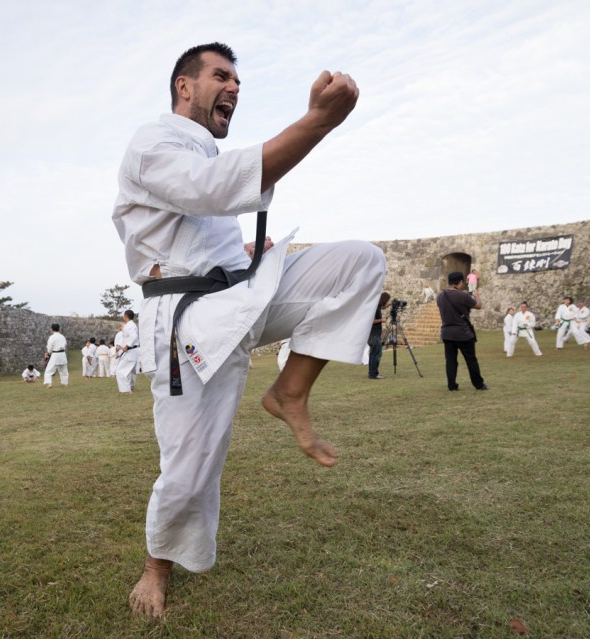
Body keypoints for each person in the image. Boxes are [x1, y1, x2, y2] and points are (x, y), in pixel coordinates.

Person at [112, 43, 385, 617]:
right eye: (221, 75)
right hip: (186, 319)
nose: (234, 87)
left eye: (237, 79)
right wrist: (316, 124)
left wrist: (240, 251)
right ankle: (155, 567)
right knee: (189, 471)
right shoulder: (153, 143)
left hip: (239, 291)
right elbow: (211, 187)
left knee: (360, 261)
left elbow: (205, 212)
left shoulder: (204, 153)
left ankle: (290, 391)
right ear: (185, 86)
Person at [435, 272, 487, 391]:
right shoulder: (463, 296)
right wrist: (477, 295)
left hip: (447, 332)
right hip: (462, 333)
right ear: (461, 282)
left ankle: (452, 385)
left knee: (451, 361)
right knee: (471, 360)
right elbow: (478, 306)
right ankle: (478, 384)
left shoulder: (440, 296)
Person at [367, 292, 391, 379]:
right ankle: (374, 374)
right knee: (376, 354)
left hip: (372, 335)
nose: (388, 302)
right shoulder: (376, 308)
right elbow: (372, 320)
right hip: (374, 335)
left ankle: (371, 373)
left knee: (373, 354)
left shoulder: (376, 306)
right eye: (387, 300)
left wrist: (390, 304)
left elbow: (383, 307)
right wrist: (382, 320)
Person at [116, 310, 140, 393]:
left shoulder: (131, 325)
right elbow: (127, 338)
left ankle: (126, 390)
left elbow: (134, 337)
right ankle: (130, 386)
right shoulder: (129, 325)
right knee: (130, 370)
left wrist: (127, 345)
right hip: (131, 351)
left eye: (123, 315)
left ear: (126, 316)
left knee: (120, 370)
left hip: (130, 350)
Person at [43, 323, 68, 387]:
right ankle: (64, 383)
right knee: (63, 370)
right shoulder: (62, 336)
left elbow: (50, 346)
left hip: (55, 354)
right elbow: (65, 344)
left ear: (52, 329)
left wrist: (48, 353)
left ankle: (49, 383)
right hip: (62, 354)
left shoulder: (52, 337)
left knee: (49, 370)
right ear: (59, 329)